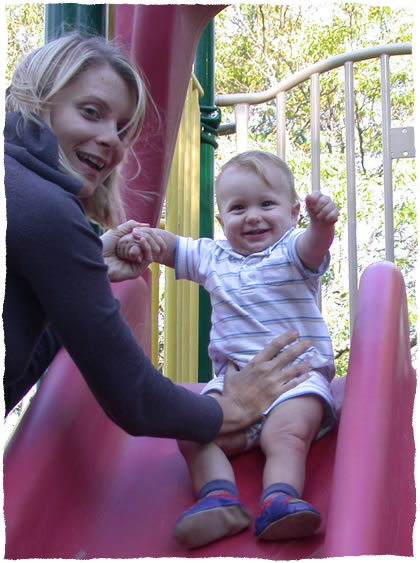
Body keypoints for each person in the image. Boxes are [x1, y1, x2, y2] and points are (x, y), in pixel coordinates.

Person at [4, 33, 312, 451]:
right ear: (39, 101)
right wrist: (230, 407)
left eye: (123, 128)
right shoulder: (46, 208)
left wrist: (84, 268)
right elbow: (133, 396)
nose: (113, 139)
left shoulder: (20, 191)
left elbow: (15, 369)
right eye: (91, 112)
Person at [116, 150, 339, 547]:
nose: (252, 216)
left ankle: (280, 499)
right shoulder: (213, 257)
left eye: (266, 204)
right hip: (232, 388)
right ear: (221, 220)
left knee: (285, 435)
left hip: (295, 380)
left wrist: (322, 223)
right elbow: (172, 247)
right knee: (192, 432)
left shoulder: (291, 252)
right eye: (238, 208)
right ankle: (218, 497)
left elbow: (314, 245)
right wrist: (145, 240)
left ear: (292, 214)